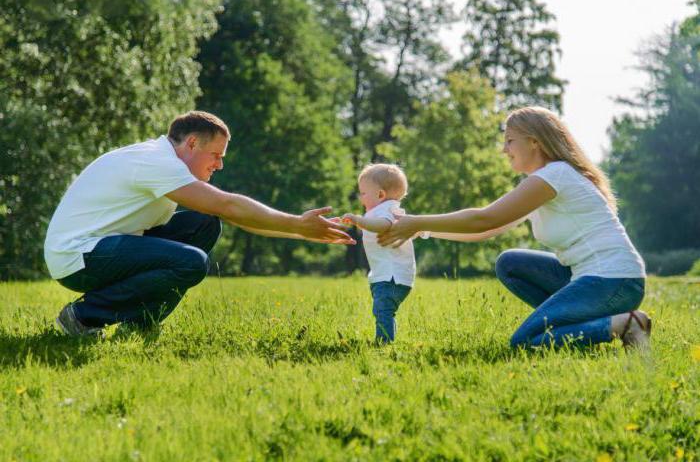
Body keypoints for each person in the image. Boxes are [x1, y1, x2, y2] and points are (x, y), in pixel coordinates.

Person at [45, 111, 353, 336]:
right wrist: (297, 224)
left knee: (204, 222)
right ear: (191, 143)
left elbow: (233, 215)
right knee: (191, 262)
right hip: (79, 257)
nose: (219, 164)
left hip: (107, 247)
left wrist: (300, 230)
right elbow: (228, 203)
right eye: (216, 154)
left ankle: (139, 323)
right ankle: (83, 317)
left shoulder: (162, 159)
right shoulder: (157, 162)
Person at [378, 106, 650, 349]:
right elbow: (486, 230)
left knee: (525, 341)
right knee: (510, 263)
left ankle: (624, 325)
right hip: (597, 279)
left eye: (510, 141)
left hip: (612, 280)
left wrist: (419, 221)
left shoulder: (554, 175)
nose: (504, 149)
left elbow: (484, 218)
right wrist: (418, 230)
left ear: (534, 142)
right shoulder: (545, 181)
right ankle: (584, 326)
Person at [342, 164, 421, 343]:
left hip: (391, 277)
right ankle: (387, 338)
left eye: (363, 193)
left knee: (383, 309)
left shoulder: (386, 211)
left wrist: (358, 221)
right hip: (388, 276)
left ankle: (384, 341)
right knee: (383, 310)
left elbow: (384, 225)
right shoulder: (381, 210)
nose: (360, 198)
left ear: (380, 195)